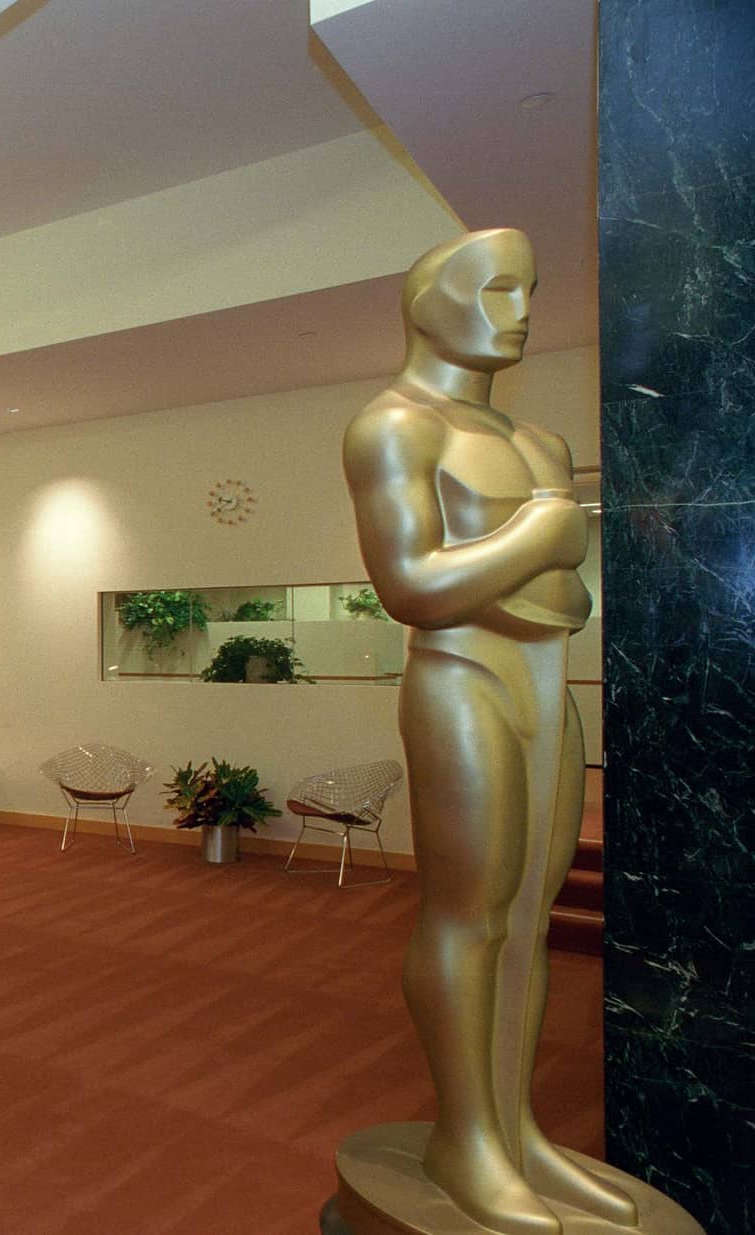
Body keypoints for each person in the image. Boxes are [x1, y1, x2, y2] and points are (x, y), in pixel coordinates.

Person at [343, 228, 636, 1233]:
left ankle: (512, 1131)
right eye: (498, 287)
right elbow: (410, 585)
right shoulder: (394, 426)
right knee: (469, 910)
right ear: (430, 300)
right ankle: (463, 1138)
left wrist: (542, 556)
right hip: (461, 675)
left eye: (531, 288)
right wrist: (535, 535)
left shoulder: (542, 445)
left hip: (545, 680)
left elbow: (572, 600)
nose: (521, 309)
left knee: (529, 909)